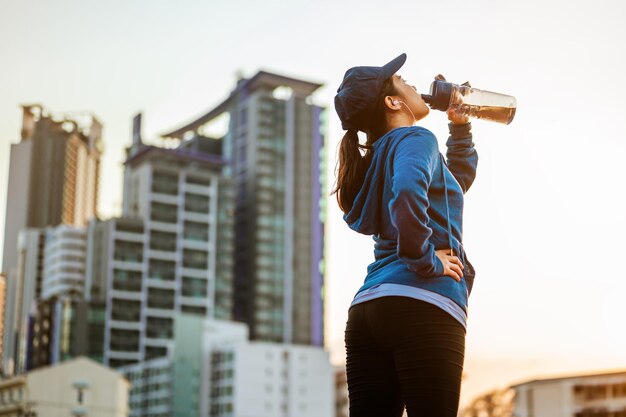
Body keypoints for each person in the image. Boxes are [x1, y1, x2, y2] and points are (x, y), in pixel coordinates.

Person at [331, 53, 479, 416]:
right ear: (393, 102)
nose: (413, 85)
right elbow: (410, 194)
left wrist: (460, 129)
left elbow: (447, 188)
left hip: (369, 308)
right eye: (404, 82)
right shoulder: (416, 138)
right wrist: (425, 260)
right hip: (422, 301)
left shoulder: (377, 156)